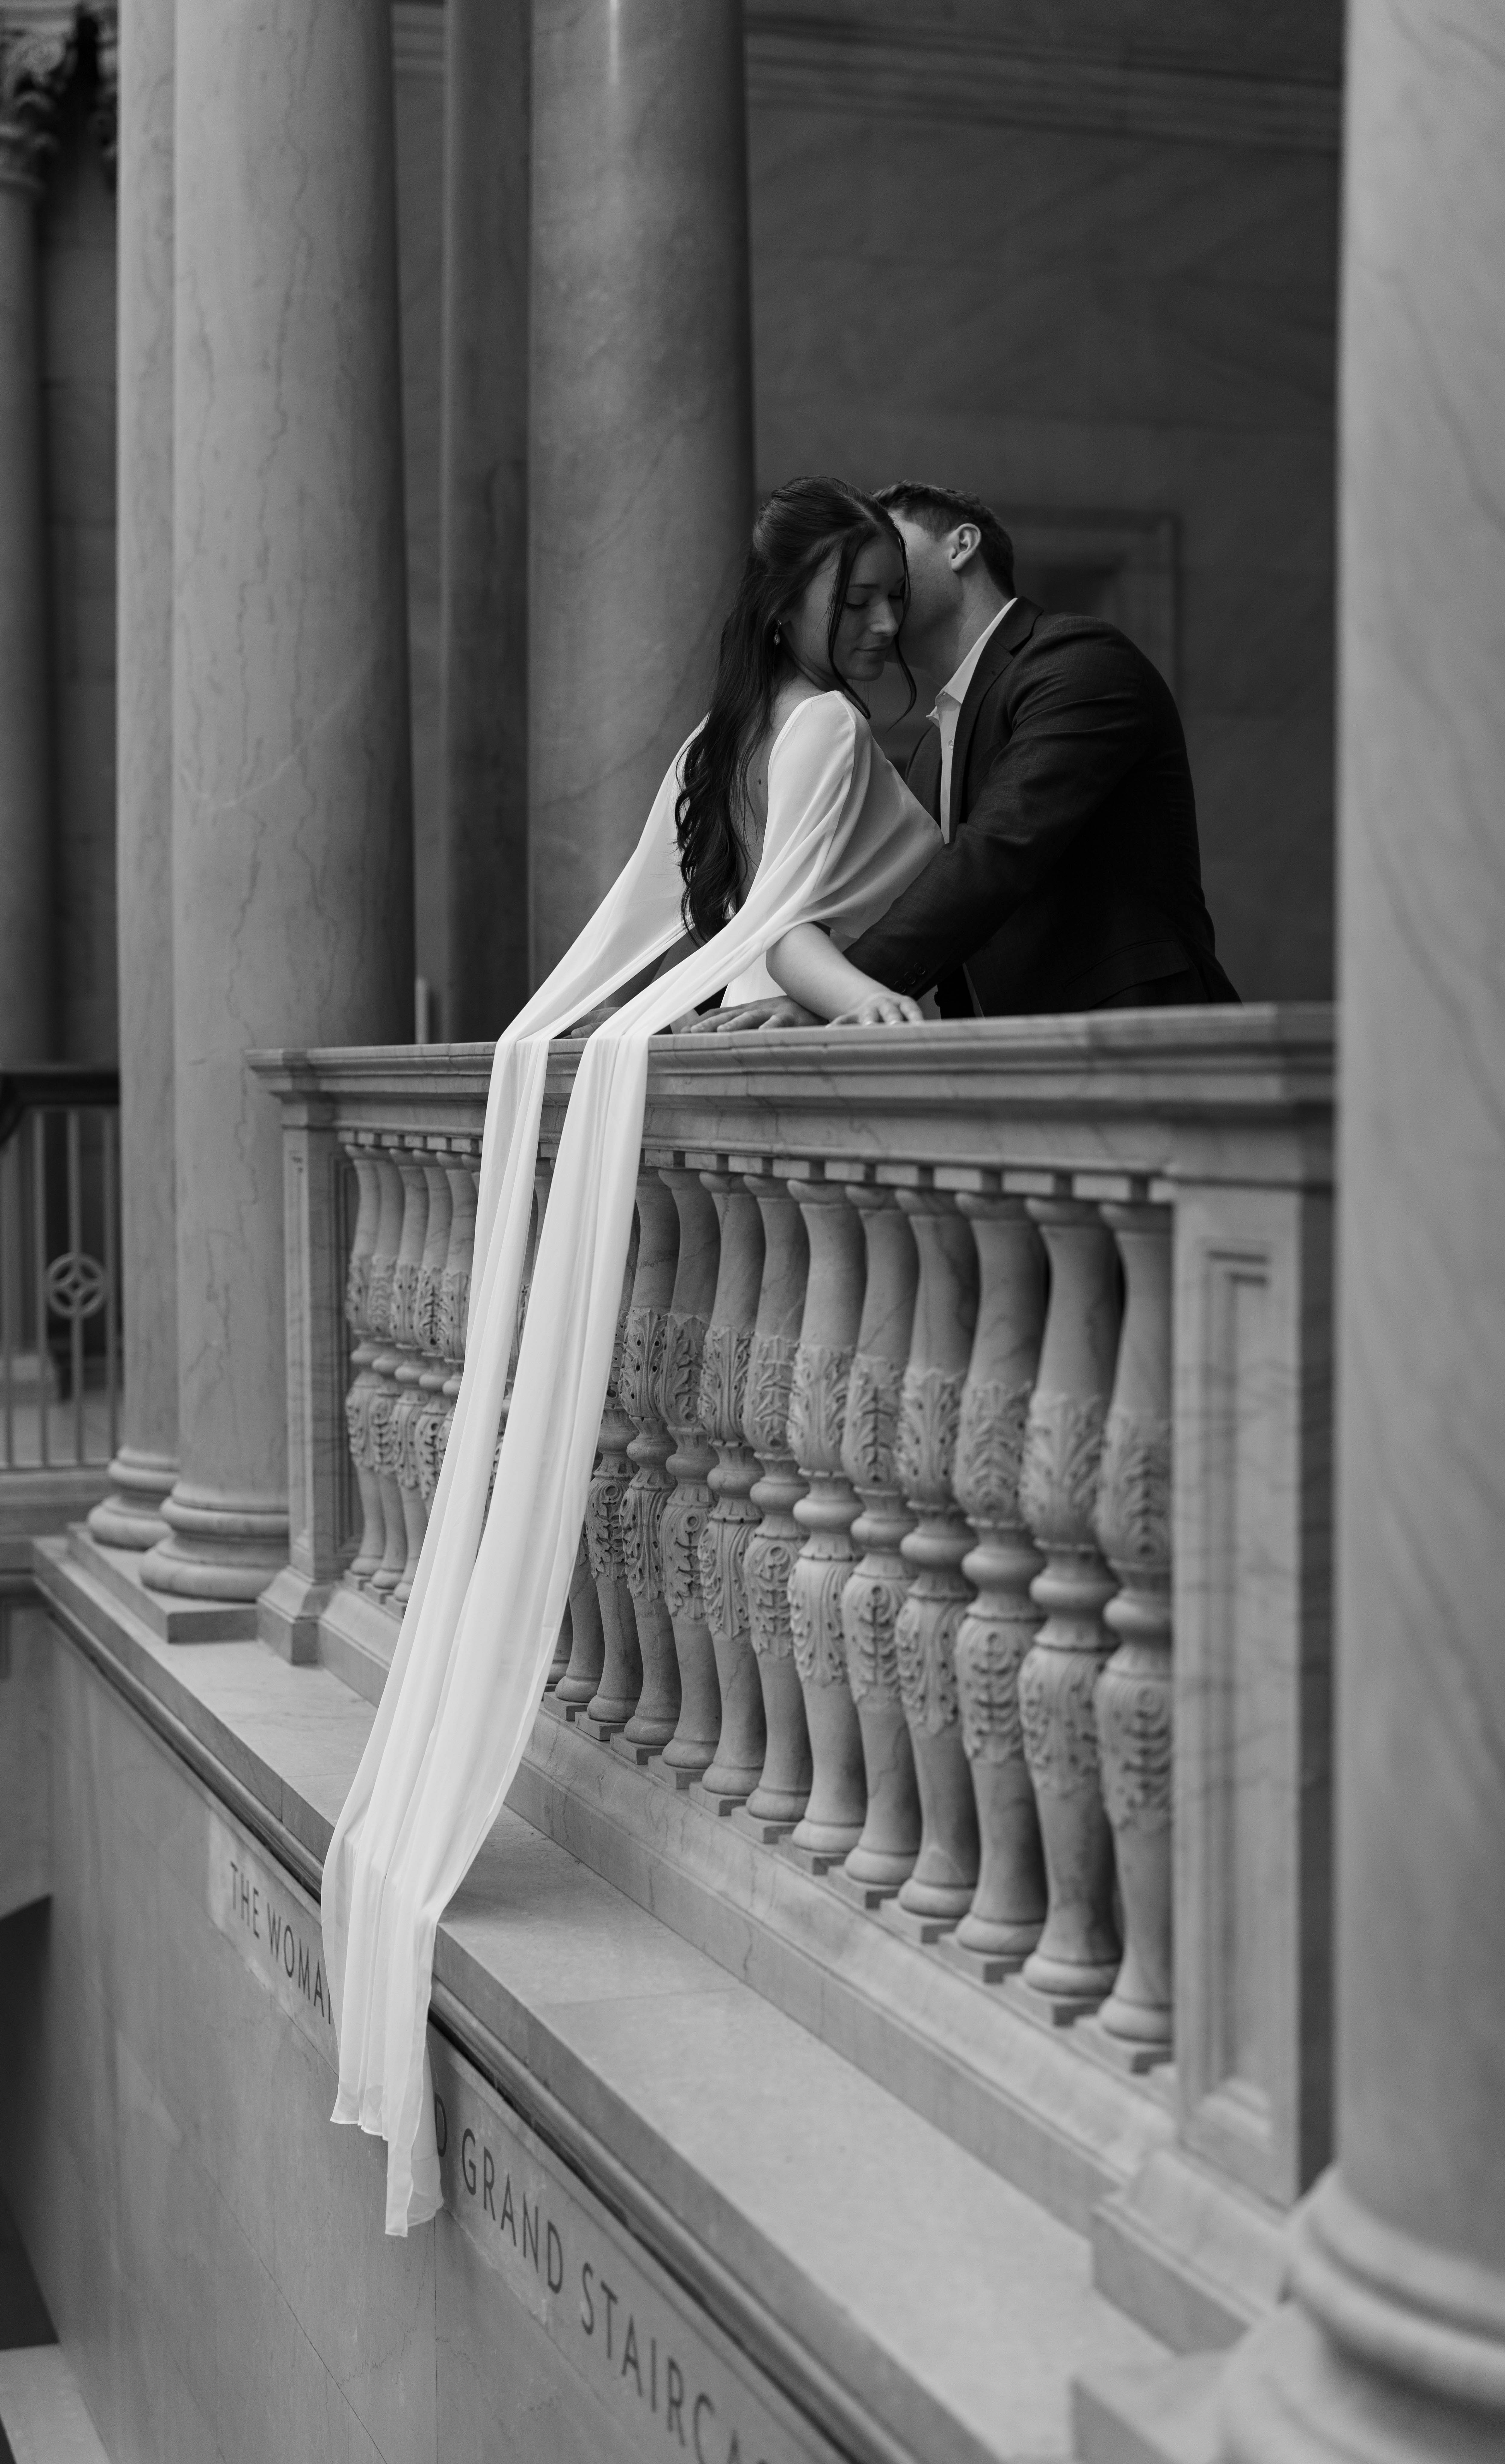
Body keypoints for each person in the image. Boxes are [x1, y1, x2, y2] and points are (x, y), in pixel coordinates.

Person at [322, 479, 946, 2233]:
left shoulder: (713, 741)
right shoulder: (809, 729)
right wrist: (859, 1004)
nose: (881, 631)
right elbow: (776, 937)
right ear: (790, 611)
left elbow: (736, 928)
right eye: (858, 599)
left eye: (892, 602)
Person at [691, 480, 1236, 1030]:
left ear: (961, 545)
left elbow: (996, 853)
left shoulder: (1077, 659)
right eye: (859, 588)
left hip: (1140, 1032)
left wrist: (835, 998)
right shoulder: (929, 749)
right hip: (1001, 1061)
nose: (880, 573)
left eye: (893, 551)